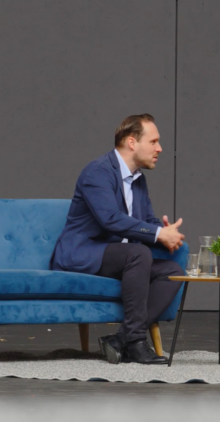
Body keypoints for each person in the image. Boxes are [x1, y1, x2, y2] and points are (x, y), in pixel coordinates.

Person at [50, 114, 186, 365]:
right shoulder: (97, 172)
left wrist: (164, 232)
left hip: (119, 258)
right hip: (82, 253)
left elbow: (147, 219)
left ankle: (120, 339)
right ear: (132, 142)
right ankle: (135, 342)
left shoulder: (138, 179)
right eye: (153, 141)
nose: (159, 148)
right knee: (138, 253)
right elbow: (110, 219)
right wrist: (157, 234)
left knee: (172, 271)